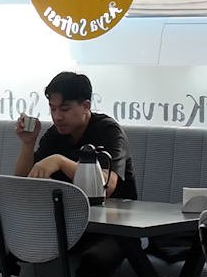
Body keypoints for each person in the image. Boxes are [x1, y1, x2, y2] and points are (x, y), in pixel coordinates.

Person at [10, 71, 138, 200]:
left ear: (85, 106)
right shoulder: (55, 134)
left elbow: (106, 187)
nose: (57, 117)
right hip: (72, 208)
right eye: (53, 109)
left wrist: (60, 162)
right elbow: (23, 182)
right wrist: (28, 143)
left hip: (115, 210)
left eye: (65, 109)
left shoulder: (109, 131)